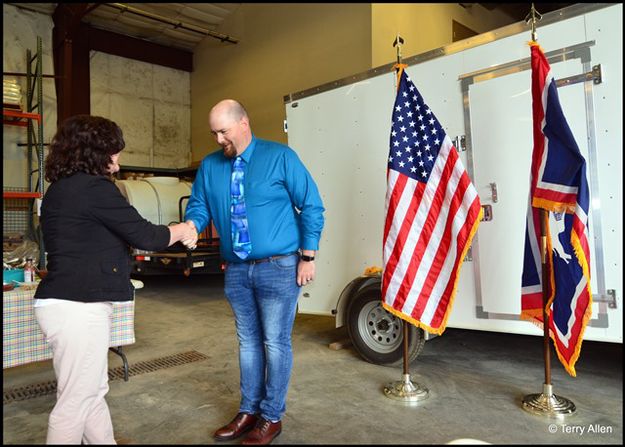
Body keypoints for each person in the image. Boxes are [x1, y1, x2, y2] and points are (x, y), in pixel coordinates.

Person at [33, 114, 198, 444]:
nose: (119, 159)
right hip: (79, 306)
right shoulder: (95, 189)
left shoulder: (58, 190)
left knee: (92, 392)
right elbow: (147, 236)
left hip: (65, 303)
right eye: (115, 151)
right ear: (97, 152)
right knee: (75, 402)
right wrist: (183, 229)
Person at [184, 99, 325, 445]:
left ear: (243, 123)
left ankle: (271, 416)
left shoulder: (280, 157)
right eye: (214, 133)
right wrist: (191, 223)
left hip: (279, 266)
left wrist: (308, 255)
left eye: (224, 131)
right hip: (236, 268)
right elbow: (200, 204)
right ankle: (248, 410)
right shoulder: (211, 165)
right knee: (248, 343)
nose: (218, 139)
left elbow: (311, 204)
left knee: (274, 343)